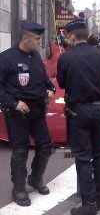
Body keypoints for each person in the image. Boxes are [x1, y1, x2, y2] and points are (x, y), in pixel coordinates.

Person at [56, 19, 100, 215]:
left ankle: (89, 204)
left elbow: (61, 84)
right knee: (99, 153)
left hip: (79, 112)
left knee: (83, 157)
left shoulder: (66, 58)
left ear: (72, 37)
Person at [0, 20, 56, 207]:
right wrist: (13, 103)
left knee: (46, 146)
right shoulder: (6, 58)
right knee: (20, 151)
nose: (40, 42)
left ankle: (36, 178)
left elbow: (44, 79)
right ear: (26, 38)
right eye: (37, 39)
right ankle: (19, 189)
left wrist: (51, 90)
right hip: (18, 113)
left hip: (38, 109)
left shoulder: (36, 57)